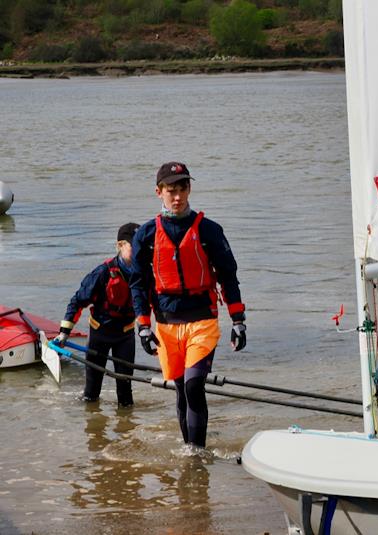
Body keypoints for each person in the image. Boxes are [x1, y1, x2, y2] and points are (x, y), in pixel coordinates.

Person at [129, 162, 246, 449]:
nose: (178, 196)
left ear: (190, 189)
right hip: (166, 324)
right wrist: (143, 326)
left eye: (182, 189)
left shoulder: (209, 230)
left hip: (202, 320)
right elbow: (138, 284)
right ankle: (189, 449)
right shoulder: (145, 235)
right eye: (171, 190)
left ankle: (196, 454)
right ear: (159, 192)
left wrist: (238, 320)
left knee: (194, 385)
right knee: (181, 390)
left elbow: (228, 276)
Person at [56, 222, 141, 407]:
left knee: (126, 395)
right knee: (92, 393)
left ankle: (126, 425)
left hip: (125, 337)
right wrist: (64, 333)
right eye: (134, 246)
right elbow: (77, 302)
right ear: (120, 245)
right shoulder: (102, 273)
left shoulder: (144, 274)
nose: (139, 251)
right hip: (100, 334)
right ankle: (91, 422)